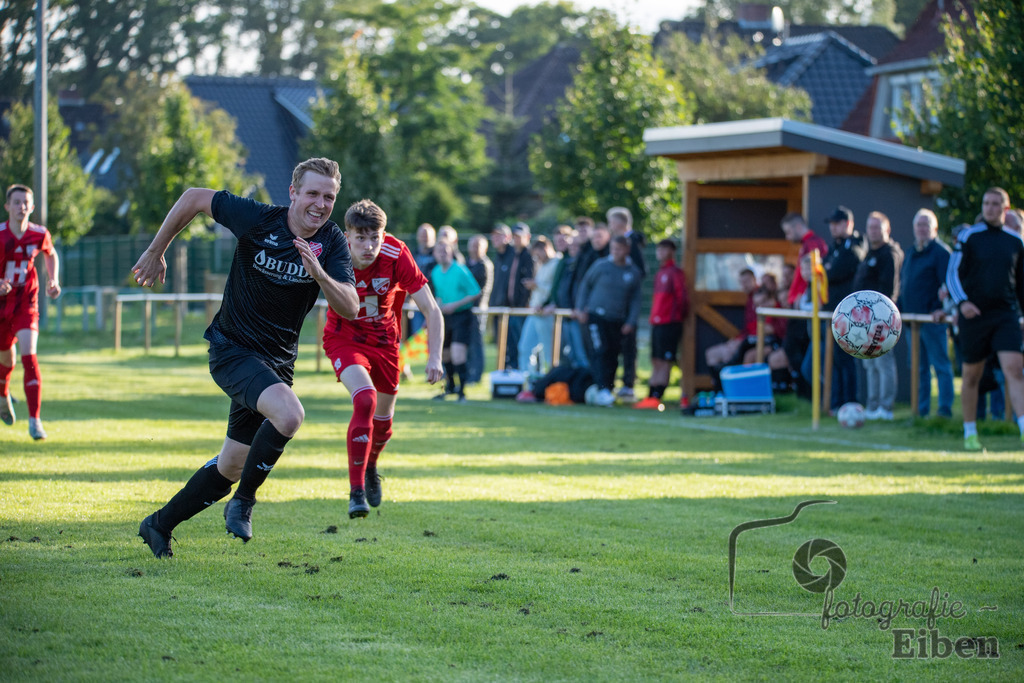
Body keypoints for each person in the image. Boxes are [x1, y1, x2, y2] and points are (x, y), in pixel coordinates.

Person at [133, 158, 359, 558]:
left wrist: (321, 275)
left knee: (231, 466)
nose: (320, 204)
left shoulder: (332, 241)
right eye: (312, 193)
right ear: (293, 192)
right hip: (232, 349)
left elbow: (351, 307)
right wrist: (156, 250)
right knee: (290, 415)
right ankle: (245, 503)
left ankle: (158, 524)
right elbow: (195, 197)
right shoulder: (258, 220)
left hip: (275, 365)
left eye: (329, 197)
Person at [322, 200, 444, 518]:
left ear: (383, 234)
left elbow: (431, 309)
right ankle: (356, 492)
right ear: (347, 235)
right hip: (343, 338)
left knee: (384, 424)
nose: (368, 245)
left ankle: (371, 464)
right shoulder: (333, 251)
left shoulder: (395, 253)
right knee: (365, 399)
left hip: (385, 342)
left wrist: (434, 357)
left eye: (374, 237)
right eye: (360, 238)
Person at [946, 187, 1024, 451]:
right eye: (986, 203)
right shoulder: (968, 236)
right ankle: (970, 432)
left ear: (1005, 208)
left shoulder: (1016, 241)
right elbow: (952, 274)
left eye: (995, 204)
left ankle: (1023, 428)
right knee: (971, 375)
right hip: (974, 316)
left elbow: (1021, 284)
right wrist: (963, 302)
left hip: (1005, 315)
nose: (989, 208)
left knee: (1015, 369)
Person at [0, 184, 61, 440]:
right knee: (7, 360)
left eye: (26, 202)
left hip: (27, 303)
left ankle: (35, 421)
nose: (21, 207)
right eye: (16, 202)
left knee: (29, 356)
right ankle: (3, 395)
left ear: (32, 207)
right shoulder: (1, 235)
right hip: (2, 306)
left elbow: (51, 253)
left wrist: (53, 279)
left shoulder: (39, 233)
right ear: (7, 207)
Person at [575, 235, 643, 406]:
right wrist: (580, 307)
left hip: (617, 319)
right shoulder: (601, 266)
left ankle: (609, 388)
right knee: (600, 350)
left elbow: (636, 300)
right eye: (613, 249)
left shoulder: (632, 272)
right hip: (596, 316)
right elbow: (585, 285)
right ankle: (602, 388)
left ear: (627, 250)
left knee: (613, 354)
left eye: (619, 249)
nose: (615, 252)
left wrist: (631, 321)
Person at [899, 208, 953, 418]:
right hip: (913, 322)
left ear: (934, 228)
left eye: (925, 225)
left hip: (933, 320)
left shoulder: (941, 253)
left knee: (940, 366)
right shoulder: (912, 252)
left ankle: (944, 411)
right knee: (918, 369)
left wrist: (944, 309)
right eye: (918, 225)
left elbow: (950, 285)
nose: (921, 229)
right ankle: (920, 411)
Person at [852, 211, 904, 420]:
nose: (873, 231)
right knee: (870, 363)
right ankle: (873, 406)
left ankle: (886, 407)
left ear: (887, 230)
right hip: (864, 320)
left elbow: (888, 291)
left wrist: (878, 316)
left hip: (880, 318)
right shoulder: (870, 253)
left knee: (883, 363)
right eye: (870, 227)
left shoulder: (889, 254)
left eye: (877, 227)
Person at [635, 239, 689, 410]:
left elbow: (682, 299)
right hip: (657, 322)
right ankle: (650, 395)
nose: (659, 252)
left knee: (665, 360)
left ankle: (658, 395)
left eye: (663, 249)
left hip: (669, 323)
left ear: (671, 251)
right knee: (655, 359)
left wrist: (677, 317)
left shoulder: (675, 273)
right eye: (658, 249)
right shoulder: (660, 272)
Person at [822, 206, 866, 413]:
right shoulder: (835, 247)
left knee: (846, 360)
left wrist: (828, 270)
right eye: (831, 224)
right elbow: (823, 270)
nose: (832, 228)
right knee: (835, 361)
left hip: (849, 315)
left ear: (847, 224)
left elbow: (832, 272)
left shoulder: (855, 247)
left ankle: (850, 402)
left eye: (836, 223)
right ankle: (836, 403)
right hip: (832, 312)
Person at [430, 241, 481, 402]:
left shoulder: (460, 270)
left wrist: (455, 305)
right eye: (439, 250)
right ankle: (450, 387)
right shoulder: (436, 271)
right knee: (444, 354)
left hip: (462, 315)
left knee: (458, 353)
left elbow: (475, 293)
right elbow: (439, 295)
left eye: (445, 250)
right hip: (445, 317)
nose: (442, 253)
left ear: (451, 251)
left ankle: (462, 392)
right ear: (435, 254)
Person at [607, 207, 645, 401]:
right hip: (612, 305)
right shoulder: (614, 243)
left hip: (627, 303)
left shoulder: (633, 242)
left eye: (612, 222)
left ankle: (628, 384)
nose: (610, 226)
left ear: (620, 223)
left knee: (629, 345)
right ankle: (611, 382)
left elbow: (640, 271)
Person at [517, 236, 560, 378]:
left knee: (550, 353)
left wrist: (537, 285)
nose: (537, 258)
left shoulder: (557, 263)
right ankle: (527, 382)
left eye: (538, 254)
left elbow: (555, 290)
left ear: (545, 248)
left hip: (547, 314)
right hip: (535, 312)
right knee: (524, 348)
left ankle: (551, 382)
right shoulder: (542, 264)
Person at [502, 222, 535, 369]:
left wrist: (526, 302)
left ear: (527, 237)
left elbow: (530, 283)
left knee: (524, 345)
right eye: (514, 236)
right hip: (511, 307)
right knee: (512, 344)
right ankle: (515, 371)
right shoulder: (511, 255)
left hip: (523, 308)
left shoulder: (530, 255)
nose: (516, 239)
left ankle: (525, 373)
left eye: (519, 236)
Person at [780, 212, 829, 306]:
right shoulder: (807, 244)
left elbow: (812, 274)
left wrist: (803, 295)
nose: (787, 237)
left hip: (808, 302)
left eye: (788, 232)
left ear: (798, 227)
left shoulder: (813, 244)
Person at [465, 234, 493, 384]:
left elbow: (481, 291)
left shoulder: (484, 265)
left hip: (478, 310)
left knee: (477, 343)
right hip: (467, 309)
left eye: (478, 245)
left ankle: (476, 375)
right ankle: (469, 373)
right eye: (473, 245)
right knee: (468, 342)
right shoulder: (467, 263)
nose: (474, 248)